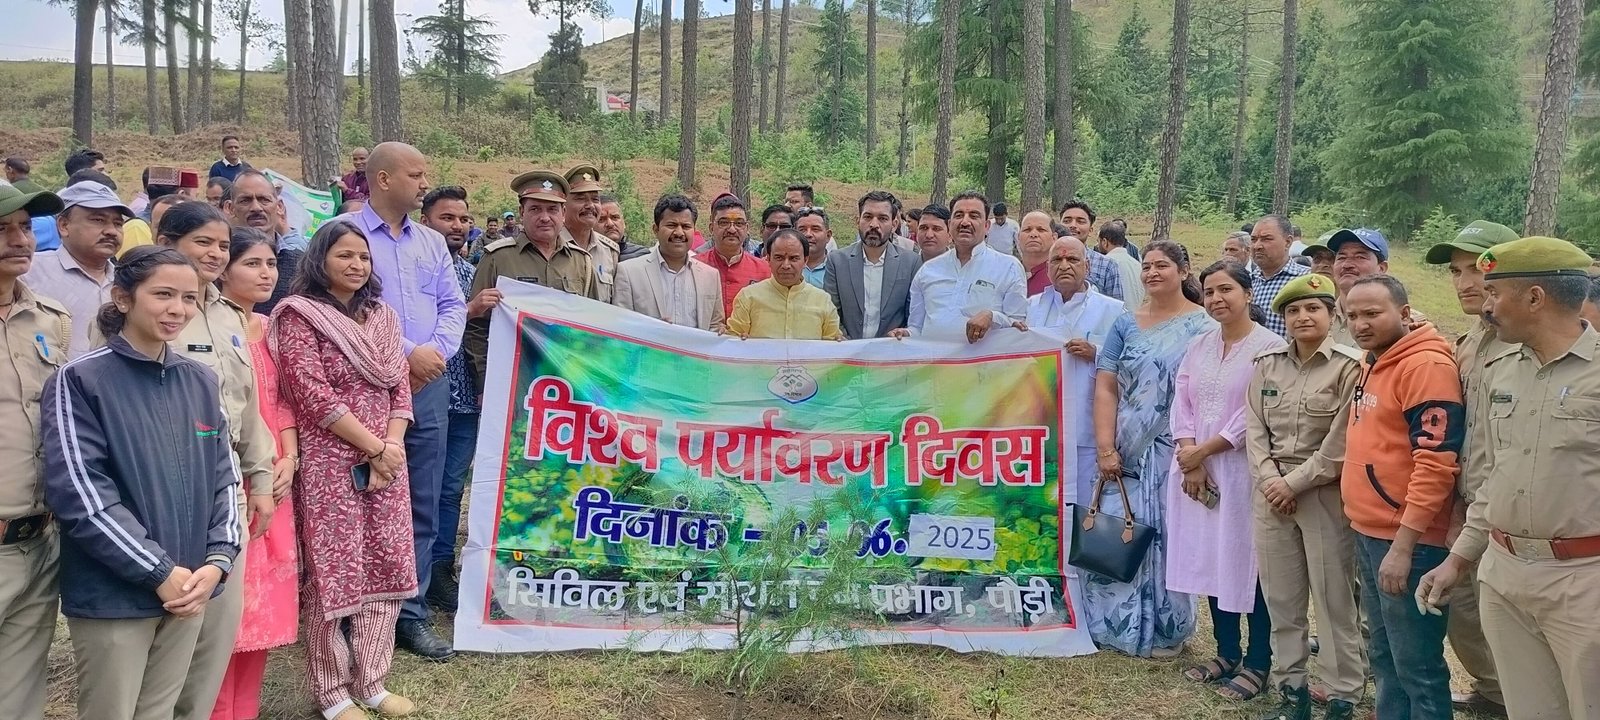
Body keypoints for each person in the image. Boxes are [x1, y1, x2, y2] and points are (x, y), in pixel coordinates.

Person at [42, 246, 241, 720]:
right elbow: (81, 494)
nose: (178, 309)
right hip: (115, 593)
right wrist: (157, 571)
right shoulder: (80, 380)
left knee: (160, 711)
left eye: (189, 298)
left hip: (190, 585)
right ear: (123, 298)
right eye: (163, 294)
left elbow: (225, 478)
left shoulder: (200, 380)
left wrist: (218, 560)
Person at [1415, 236, 1600, 720]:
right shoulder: (1504, 372)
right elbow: (1496, 475)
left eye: (1496, 293)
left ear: (1535, 298)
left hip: (1584, 581)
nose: (1487, 305)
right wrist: (1459, 559)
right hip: (1504, 573)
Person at [271, 221, 418, 720]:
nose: (356, 265)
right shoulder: (299, 316)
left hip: (387, 461)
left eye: (364, 257)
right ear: (320, 259)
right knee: (333, 571)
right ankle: (332, 692)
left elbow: (400, 388)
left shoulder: (382, 316)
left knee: (386, 562)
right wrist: (374, 447)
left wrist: (391, 446)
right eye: (344, 256)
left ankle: (372, 682)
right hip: (330, 461)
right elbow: (311, 394)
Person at [143, 201, 280, 720]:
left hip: (227, 494)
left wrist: (260, 481)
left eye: (223, 245)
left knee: (217, 633)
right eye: (203, 242)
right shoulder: (145, 313)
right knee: (169, 629)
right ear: (166, 242)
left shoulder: (228, 316)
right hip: (165, 490)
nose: (216, 254)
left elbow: (247, 409)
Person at [344, 142, 465, 662]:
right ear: (384, 179)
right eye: (416, 174)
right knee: (363, 496)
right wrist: (408, 352)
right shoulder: (345, 236)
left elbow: (452, 304)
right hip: (366, 384)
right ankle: (355, 612)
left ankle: (409, 614)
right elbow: (343, 307)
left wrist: (434, 353)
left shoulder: (432, 242)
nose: (424, 183)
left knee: (423, 496)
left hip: (427, 385)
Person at [1340, 274, 1461, 720]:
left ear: (1404, 313)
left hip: (1408, 540)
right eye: (1352, 315)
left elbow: (1436, 463)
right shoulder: (1373, 360)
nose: (1360, 324)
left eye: (1373, 313)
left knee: (1418, 665)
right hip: (1370, 530)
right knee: (1385, 655)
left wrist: (1405, 546)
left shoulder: (1425, 367)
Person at [1247, 273, 1366, 720]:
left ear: (1332, 315)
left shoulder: (1351, 367)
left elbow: (1341, 442)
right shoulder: (1267, 365)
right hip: (1271, 495)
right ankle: (1291, 690)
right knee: (1282, 599)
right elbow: (1255, 431)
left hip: (1323, 496)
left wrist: (1292, 484)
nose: (1303, 317)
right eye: (1293, 311)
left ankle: (1342, 694)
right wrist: (1270, 480)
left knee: (1334, 599)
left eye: (1313, 308)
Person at [1087, 240, 1212, 657]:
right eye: (1147, 267)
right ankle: (1110, 624)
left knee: (1171, 533)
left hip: (1177, 448)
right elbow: (1106, 385)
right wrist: (1106, 446)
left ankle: (1166, 627)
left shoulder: (1205, 326)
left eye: (1162, 266)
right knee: (1120, 525)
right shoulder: (1125, 323)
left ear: (1184, 270)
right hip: (1127, 447)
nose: (1153, 273)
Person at [1166, 261, 1282, 700]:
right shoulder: (1199, 345)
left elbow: (1255, 412)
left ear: (1248, 293)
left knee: (1248, 563)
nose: (1216, 298)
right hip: (1196, 471)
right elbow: (1181, 400)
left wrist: (1205, 451)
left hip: (1242, 470)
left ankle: (1258, 661)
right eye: (1210, 291)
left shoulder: (1269, 347)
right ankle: (1226, 652)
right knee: (1212, 558)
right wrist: (1190, 456)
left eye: (1226, 289)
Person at [1420, 219, 1519, 714]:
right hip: (1467, 503)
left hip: (1514, 512)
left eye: (1477, 269)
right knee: (1464, 612)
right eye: (1456, 271)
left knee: (1510, 623)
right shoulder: (1469, 341)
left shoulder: (1524, 345)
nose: (1464, 282)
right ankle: (1494, 692)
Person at [209, 226, 300, 720]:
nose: (266, 274)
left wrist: (289, 458)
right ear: (223, 271)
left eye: (270, 264)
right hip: (230, 473)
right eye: (252, 264)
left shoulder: (270, 328)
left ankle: (245, 708)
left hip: (275, 477)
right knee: (228, 602)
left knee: (265, 605)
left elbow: (283, 400)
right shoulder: (208, 327)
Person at [0, 184, 69, 720]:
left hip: (39, 538)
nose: (20, 240)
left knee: (20, 692)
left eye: (25, 227)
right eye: (2, 229)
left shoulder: (50, 319)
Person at [419, 185, 498, 613]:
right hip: (422, 394)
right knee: (419, 489)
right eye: (447, 218)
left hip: (466, 399)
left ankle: (440, 570)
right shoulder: (413, 273)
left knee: (451, 489)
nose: (458, 226)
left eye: (464, 219)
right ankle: (411, 573)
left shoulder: (471, 272)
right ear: (424, 221)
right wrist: (470, 309)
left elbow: (483, 335)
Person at [1025, 235, 1128, 509]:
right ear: (1047, 268)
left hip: (1088, 431)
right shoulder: (1031, 308)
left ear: (1087, 266)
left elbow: (1131, 365)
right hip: (1041, 430)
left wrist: (1096, 353)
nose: (1064, 266)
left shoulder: (1113, 311)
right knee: (1044, 511)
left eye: (1072, 259)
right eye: (1057, 260)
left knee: (1085, 509)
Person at [467, 171, 598, 386]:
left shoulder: (581, 261)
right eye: (535, 209)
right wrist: (483, 383)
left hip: (566, 381)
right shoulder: (497, 258)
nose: (545, 217)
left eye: (552, 209)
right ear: (522, 212)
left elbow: (593, 328)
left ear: (564, 213)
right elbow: (477, 327)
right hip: (509, 381)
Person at [892, 192, 1027, 343]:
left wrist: (992, 317)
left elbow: (1018, 328)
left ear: (987, 226)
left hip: (986, 358)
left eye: (974, 216)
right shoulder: (928, 270)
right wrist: (905, 334)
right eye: (959, 215)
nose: (965, 222)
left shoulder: (1009, 267)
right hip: (933, 358)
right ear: (950, 225)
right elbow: (917, 327)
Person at [24, 181, 130, 359]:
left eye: (118, 223)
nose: (112, 231)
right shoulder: (29, 272)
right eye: (98, 220)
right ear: (64, 226)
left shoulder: (127, 281)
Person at [613, 194, 725, 332]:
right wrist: (651, 331)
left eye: (686, 226)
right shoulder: (629, 273)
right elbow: (621, 326)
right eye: (671, 225)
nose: (679, 233)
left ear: (694, 230)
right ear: (656, 229)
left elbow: (716, 327)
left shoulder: (711, 276)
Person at [825, 191, 921, 339]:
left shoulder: (911, 262)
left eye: (882, 218)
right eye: (868, 217)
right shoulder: (837, 261)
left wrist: (902, 334)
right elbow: (831, 311)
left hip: (892, 348)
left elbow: (913, 316)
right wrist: (846, 341)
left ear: (894, 224)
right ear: (858, 221)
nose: (874, 225)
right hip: (846, 348)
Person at [726, 229, 843, 340]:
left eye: (793, 258)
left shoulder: (823, 301)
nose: (786, 265)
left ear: (805, 260)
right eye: (779, 258)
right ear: (768, 259)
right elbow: (733, 340)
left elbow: (832, 345)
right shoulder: (748, 297)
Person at [225, 170, 304, 315]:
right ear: (230, 208)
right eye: (245, 200)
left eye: (264, 200)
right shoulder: (219, 260)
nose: (256, 208)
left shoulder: (302, 264)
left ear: (279, 206)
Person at [696, 194, 771, 318]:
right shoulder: (694, 267)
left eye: (739, 223)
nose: (732, 229)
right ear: (711, 228)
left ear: (747, 229)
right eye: (724, 223)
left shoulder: (764, 270)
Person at [562, 165, 621, 303]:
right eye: (580, 199)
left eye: (595, 199)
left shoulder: (609, 250)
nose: (590, 206)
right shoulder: (551, 245)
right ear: (563, 205)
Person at [1249, 215, 1311, 339]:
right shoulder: (1246, 282)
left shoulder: (1307, 279)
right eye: (1253, 239)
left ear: (1288, 242)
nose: (1257, 246)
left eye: (1266, 239)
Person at [1098, 221, 1146, 309]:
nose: (1098, 245)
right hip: (1135, 314)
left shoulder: (1104, 264)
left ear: (1104, 242)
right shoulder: (1137, 265)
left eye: (1098, 241)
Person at [596, 194, 648, 262]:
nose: (610, 224)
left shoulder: (642, 256)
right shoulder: (587, 258)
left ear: (624, 223)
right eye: (601, 219)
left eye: (615, 217)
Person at [1016, 211, 1057, 296]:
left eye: (1041, 230)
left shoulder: (1059, 276)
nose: (1033, 234)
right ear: (1018, 237)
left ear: (1054, 238)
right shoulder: (1007, 273)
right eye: (1027, 230)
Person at [796, 206, 832, 288]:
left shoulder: (839, 268)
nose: (808, 234)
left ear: (828, 236)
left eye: (815, 229)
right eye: (802, 229)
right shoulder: (786, 266)